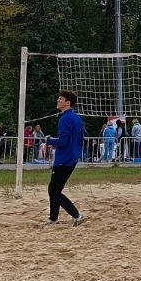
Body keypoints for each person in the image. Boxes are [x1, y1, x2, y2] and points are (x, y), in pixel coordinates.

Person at [45, 90, 86, 227]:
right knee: (53, 189)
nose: (58, 100)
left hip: (64, 159)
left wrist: (49, 140)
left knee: (54, 192)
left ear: (68, 103)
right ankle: (53, 218)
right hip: (72, 157)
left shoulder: (64, 119)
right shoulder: (77, 118)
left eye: (60, 99)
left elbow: (63, 141)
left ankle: (77, 215)